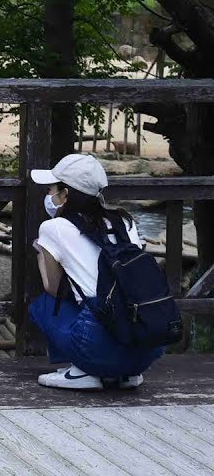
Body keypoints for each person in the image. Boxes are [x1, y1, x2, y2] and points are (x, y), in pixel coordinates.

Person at [28, 153, 165, 389]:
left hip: (97, 345)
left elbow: (51, 287)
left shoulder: (53, 228)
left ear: (65, 194)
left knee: (43, 305)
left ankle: (83, 370)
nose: (48, 195)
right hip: (148, 345)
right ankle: (126, 374)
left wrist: (42, 253)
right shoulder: (124, 221)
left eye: (51, 190)